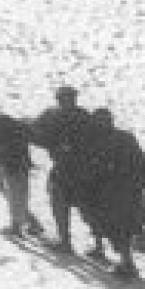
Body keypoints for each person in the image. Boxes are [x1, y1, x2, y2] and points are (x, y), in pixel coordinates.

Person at [76, 109, 145, 280]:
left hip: (112, 193)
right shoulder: (124, 138)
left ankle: (127, 264)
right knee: (119, 226)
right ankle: (116, 256)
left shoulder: (98, 141)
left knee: (118, 228)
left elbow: (94, 166)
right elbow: (143, 165)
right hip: (124, 191)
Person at [30, 86, 92, 252]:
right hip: (74, 168)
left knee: (65, 204)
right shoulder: (82, 115)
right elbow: (36, 134)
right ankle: (72, 242)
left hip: (73, 168)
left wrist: (52, 144)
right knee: (69, 204)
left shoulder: (54, 114)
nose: (67, 102)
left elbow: (35, 134)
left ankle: (67, 242)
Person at [0, 112, 44, 238]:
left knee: (15, 194)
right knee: (9, 193)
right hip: (5, 161)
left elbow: (1, 145)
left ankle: (16, 227)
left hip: (15, 162)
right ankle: (31, 222)